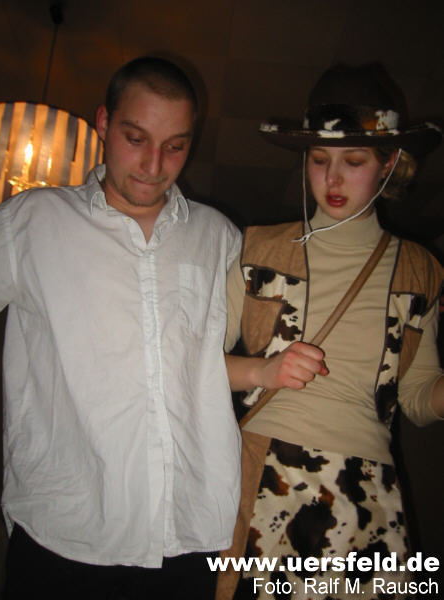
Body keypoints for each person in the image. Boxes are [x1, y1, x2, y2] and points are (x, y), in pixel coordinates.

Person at [0, 56, 242, 599]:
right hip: (66, 531)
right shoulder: (32, 221)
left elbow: (220, 364)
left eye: (175, 146)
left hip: (185, 538)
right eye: (136, 138)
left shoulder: (219, 236)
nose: (154, 164)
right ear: (104, 123)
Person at [218, 63, 443, 599]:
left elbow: (416, 397)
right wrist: (263, 370)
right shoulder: (256, 250)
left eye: (354, 161)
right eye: (319, 160)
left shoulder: (421, 271)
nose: (332, 178)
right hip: (262, 470)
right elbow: (192, 364)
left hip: (368, 492)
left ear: (389, 163)